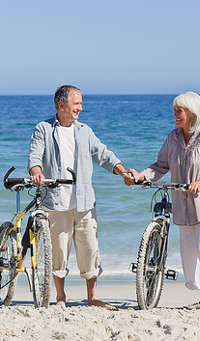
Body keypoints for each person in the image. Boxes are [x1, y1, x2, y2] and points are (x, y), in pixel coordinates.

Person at [128, 91, 200, 310]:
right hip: (183, 205)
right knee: (189, 256)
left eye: (179, 111)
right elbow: (161, 166)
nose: (175, 115)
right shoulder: (173, 137)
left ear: (192, 112)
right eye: (175, 110)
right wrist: (141, 176)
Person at [28, 85, 133, 308]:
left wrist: (122, 170)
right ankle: (60, 297)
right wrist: (36, 171)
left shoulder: (84, 130)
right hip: (56, 202)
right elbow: (35, 154)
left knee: (90, 249)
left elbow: (103, 154)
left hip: (84, 201)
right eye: (77, 104)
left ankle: (92, 297)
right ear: (61, 105)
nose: (81, 108)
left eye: (81, 104)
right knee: (58, 250)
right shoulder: (44, 129)